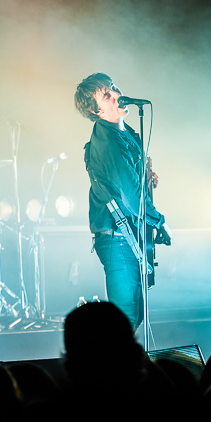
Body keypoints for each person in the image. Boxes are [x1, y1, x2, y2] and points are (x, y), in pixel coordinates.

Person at [74, 73, 171, 330]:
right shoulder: (109, 142)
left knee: (135, 315)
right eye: (107, 95)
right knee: (124, 321)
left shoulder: (124, 132)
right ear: (96, 110)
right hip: (118, 237)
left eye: (114, 87)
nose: (116, 94)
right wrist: (158, 221)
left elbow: (129, 184)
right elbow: (130, 196)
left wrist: (145, 178)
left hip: (127, 234)